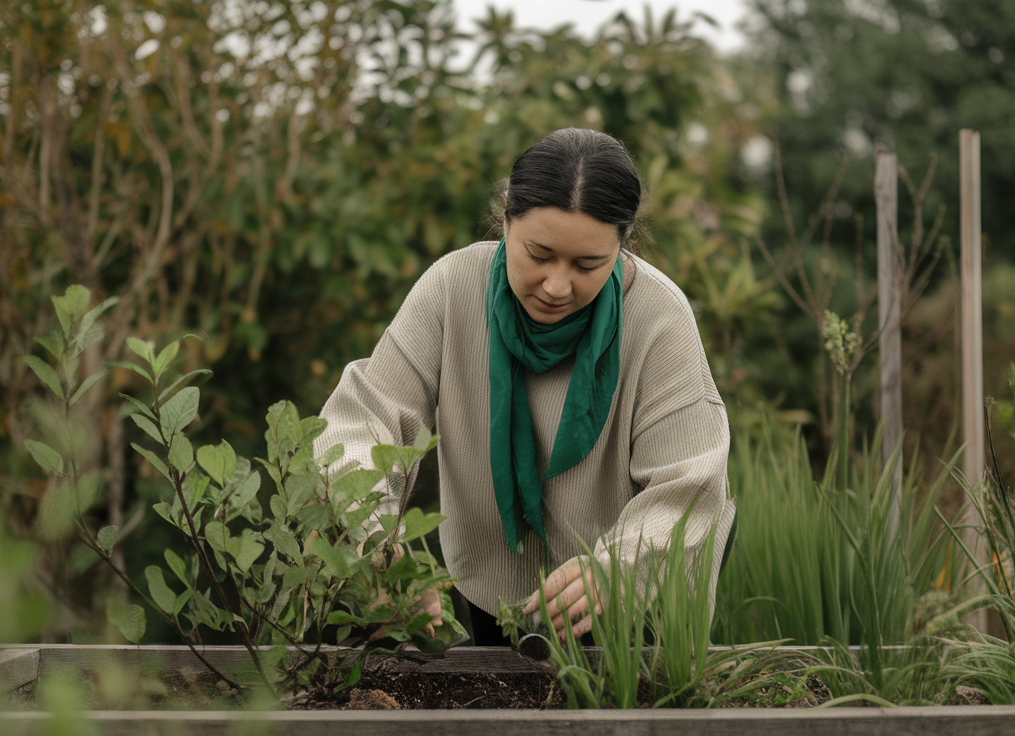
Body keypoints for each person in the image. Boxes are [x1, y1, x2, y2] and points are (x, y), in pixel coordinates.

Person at [314, 127, 734, 644]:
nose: (557, 286)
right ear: (507, 218)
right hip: (492, 588)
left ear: (622, 245)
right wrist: (375, 542)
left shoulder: (658, 318)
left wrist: (619, 567)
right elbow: (363, 417)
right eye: (538, 254)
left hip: (619, 606)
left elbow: (690, 485)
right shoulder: (453, 287)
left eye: (588, 265)